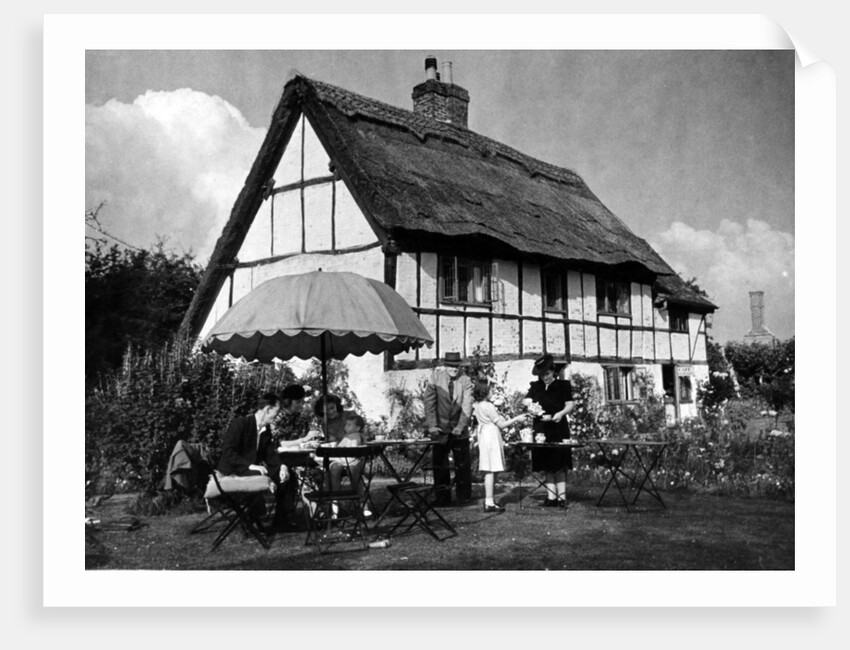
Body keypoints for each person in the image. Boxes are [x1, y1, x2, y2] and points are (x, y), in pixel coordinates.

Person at [217, 392, 288, 523]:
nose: (277, 416)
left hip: (249, 469)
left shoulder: (265, 429)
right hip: (233, 469)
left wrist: (282, 466)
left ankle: (282, 520)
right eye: (276, 411)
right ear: (267, 410)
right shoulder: (240, 424)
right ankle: (254, 519)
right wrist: (250, 465)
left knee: (286, 477)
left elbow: (270, 454)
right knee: (259, 472)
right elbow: (228, 452)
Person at [472, 378, 530, 513]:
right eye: (491, 390)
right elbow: (501, 425)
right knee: (491, 468)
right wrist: (517, 418)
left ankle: (490, 500)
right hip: (491, 436)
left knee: (491, 468)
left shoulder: (478, 405)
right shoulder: (488, 406)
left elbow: (494, 420)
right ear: (484, 391)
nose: (493, 392)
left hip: (484, 435)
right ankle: (489, 501)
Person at [525, 354, 576, 508]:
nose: (544, 377)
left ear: (553, 371)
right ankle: (551, 497)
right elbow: (526, 400)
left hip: (558, 428)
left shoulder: (563, 385)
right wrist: (529, 405)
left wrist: (560, 414)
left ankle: (561, 498)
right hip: (541, 429)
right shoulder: (536, 386)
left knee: (559, 464)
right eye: (541, 375)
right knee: (547, 464)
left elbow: (570, 405)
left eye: (546, 374)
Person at [423, 351, 473, 506]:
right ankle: (442, 498)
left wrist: (460, 427)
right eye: (451, 366)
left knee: (462, 465)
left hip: (459, 429)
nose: (454, 369)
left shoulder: (465, 380)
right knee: (440, 465)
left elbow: (467, 406)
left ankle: (463, 497)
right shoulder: (435, 379)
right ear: (445, 366)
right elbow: (429, 404)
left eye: (457, 366)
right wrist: (432, 425)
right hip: (440, 430)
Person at [269, 384, 321, 531]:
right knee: (290, 478)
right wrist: (304, 440)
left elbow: (304, 439)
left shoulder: (301, 418)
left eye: (301, 402)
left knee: (316, 472)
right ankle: (289, 517)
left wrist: (310, 442)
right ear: (288, 401)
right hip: (280, 459)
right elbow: (277, 442)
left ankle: (315, 515)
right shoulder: (277, 418)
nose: (301, 405)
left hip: (299, 457)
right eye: (298, 402)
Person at [323, 413, 371, 518]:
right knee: (335, 469)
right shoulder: (347, 437)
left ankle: (363, 505)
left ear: (357, 428)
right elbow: (340, 448)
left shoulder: (356, 436)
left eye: (349, 425)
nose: (345, 427)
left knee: (354, 471)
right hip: (343, 462)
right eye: (346, 425)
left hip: (351, 462)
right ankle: (335, 505)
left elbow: (352, 450)